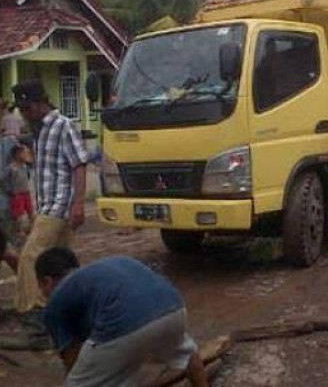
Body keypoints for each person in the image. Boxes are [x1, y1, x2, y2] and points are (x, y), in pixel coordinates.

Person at [35, 248, 208, 386]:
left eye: (41, 288)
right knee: (187, 355)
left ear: (47, 281)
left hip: (127, 324)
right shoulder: (108, 268)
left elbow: (72, 360)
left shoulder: (56, 302)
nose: (43, 294)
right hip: (174, 309)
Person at [11, 79, 89, 314]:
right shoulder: (39, 130)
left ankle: (33, 311)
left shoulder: (63, 125)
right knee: (58, 264)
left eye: (26, 110)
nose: (24, 115)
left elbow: (79, 165)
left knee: (29, 258)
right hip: (48, 206)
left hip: (59, 206)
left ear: (37, 104)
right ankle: (65, 310)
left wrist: (78, 203)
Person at [4, 144, 34, 247]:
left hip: (26, 192)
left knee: (31, 211)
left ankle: (31, 230)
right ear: (16, 155)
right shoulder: (11, 168)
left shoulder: (25, 166)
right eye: (22, 153)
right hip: (17, 195)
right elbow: (6, 180)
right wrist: (10, 191)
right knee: (19, 215)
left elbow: (28, 176)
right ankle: (20, 235)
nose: (24, 154)